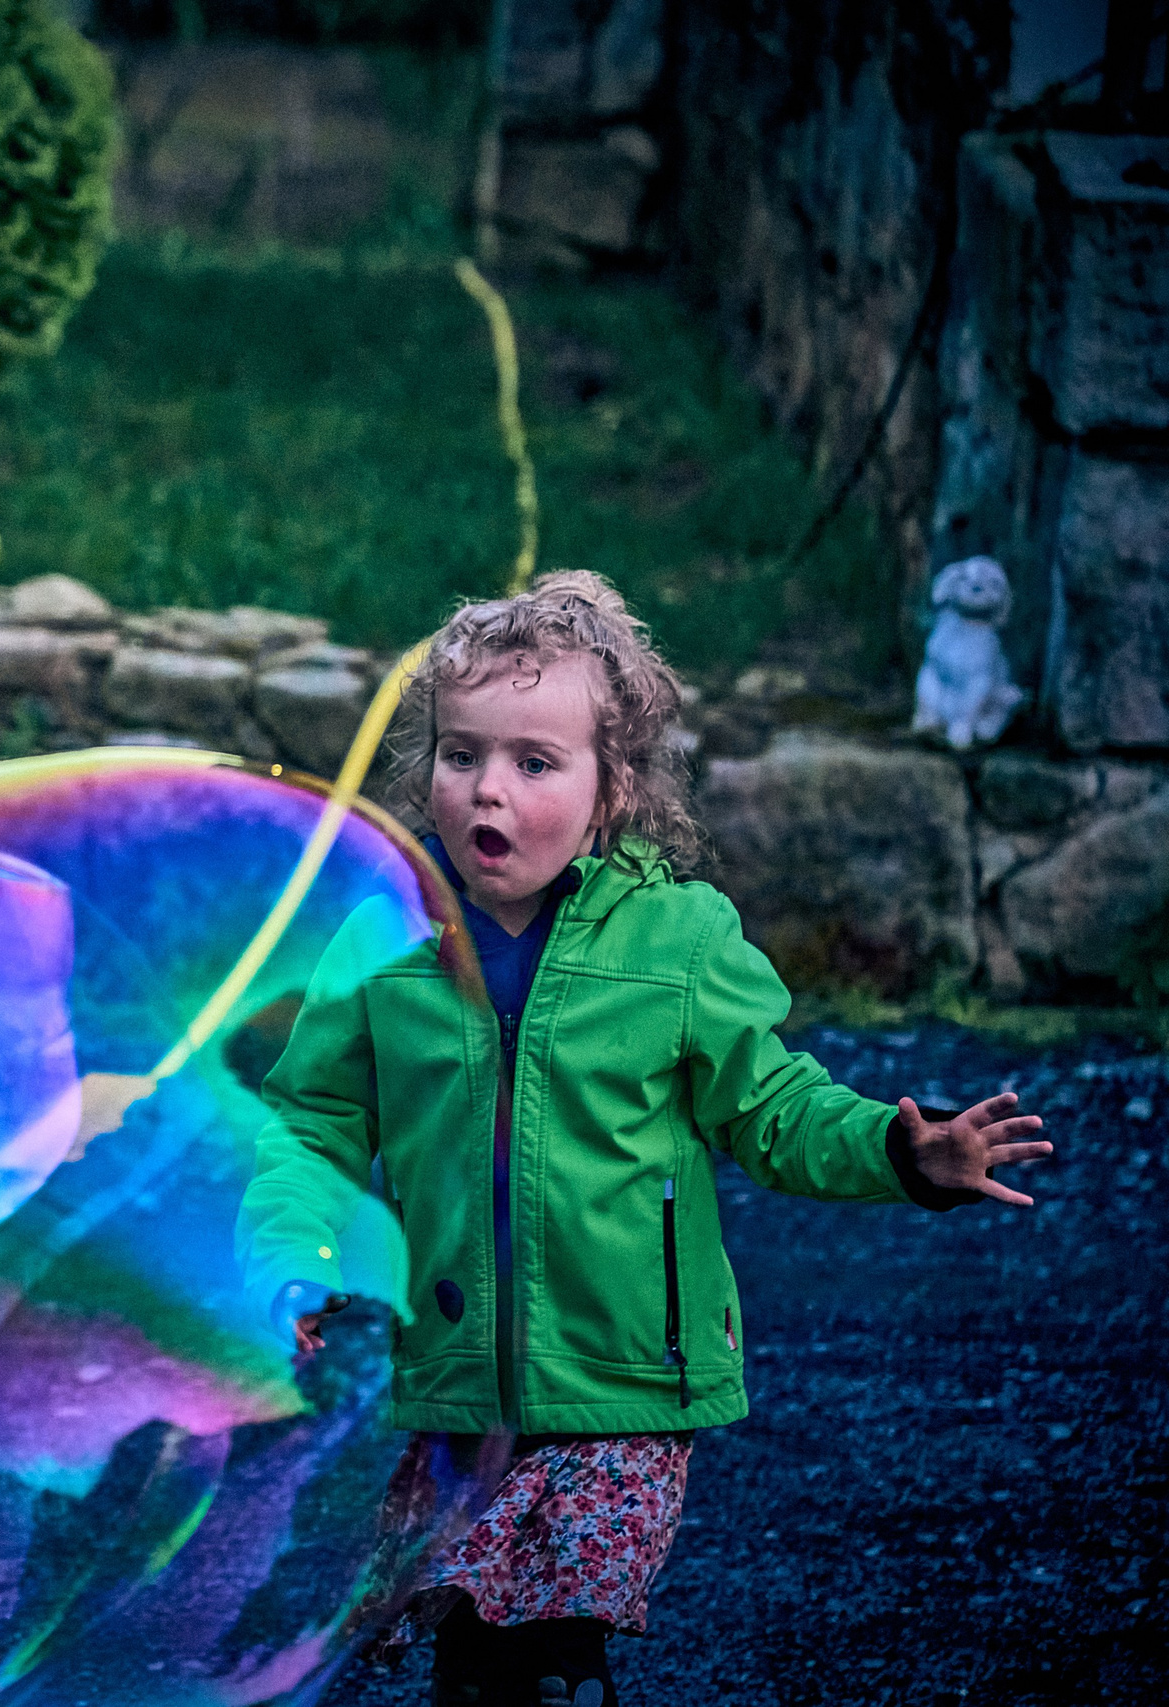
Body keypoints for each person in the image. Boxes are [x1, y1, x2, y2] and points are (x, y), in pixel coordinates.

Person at [235, 571, 1052, 1707]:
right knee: (475, 1648)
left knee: (527, 1635)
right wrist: (293, 1253)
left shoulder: (677, 939)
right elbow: (314, 1124)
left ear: (611, 786)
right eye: (460, 752)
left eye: (534, 762)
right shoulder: (382, 939)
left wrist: (896, 1154)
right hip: (462, 1388)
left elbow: (771, 1108)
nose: (488, 789)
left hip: (622, 1388)